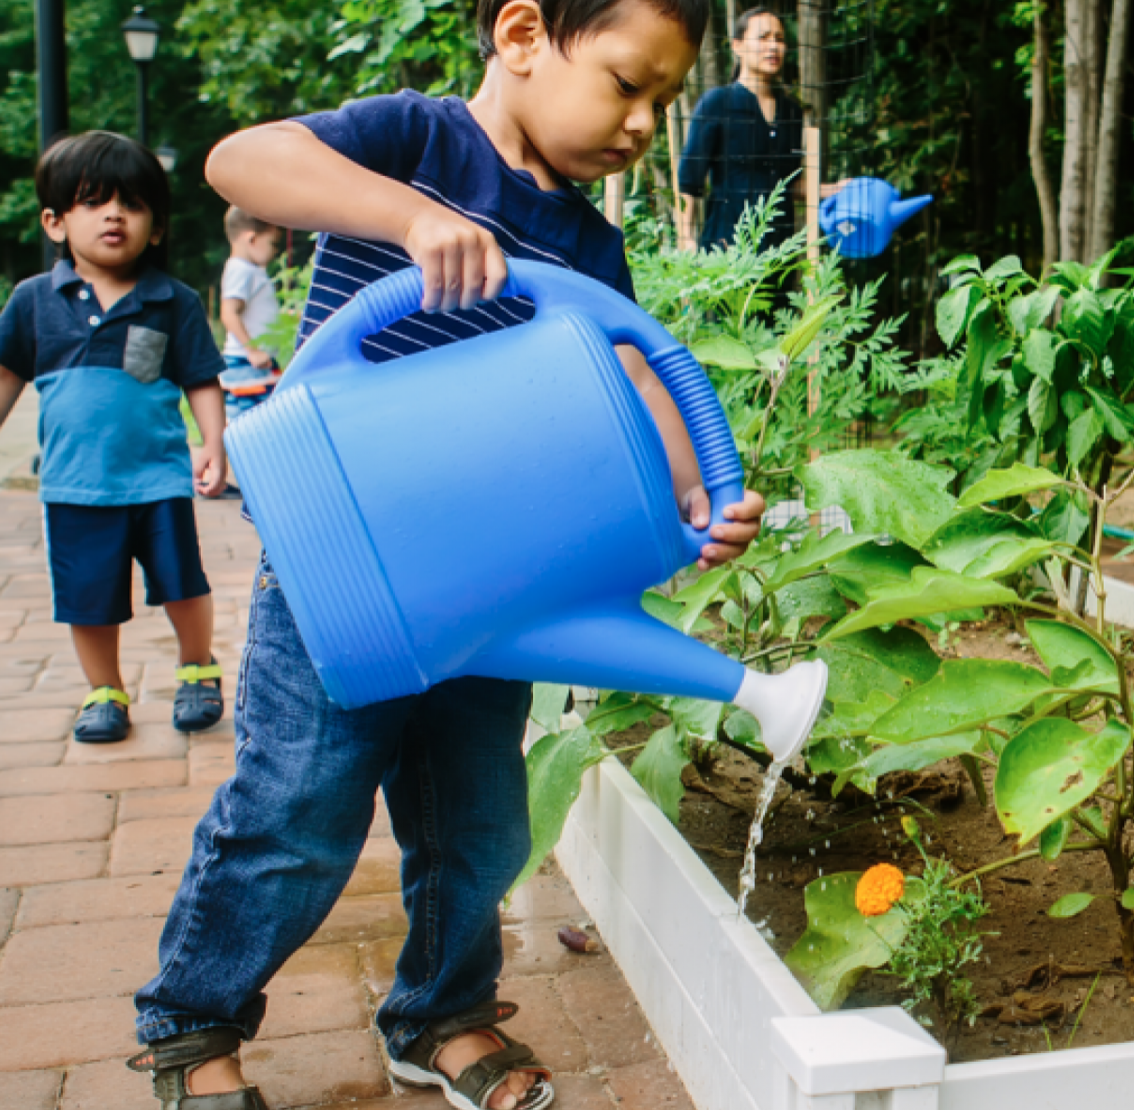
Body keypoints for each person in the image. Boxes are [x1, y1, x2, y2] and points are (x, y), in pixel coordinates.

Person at [127, 2, 768, 1108]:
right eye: (626, 83)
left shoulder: (586, 241)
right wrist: (409, 217)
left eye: (662, 101)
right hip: (347, 557)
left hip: (496, 577)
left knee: (478, 820)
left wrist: (700, 497)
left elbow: (641, 377)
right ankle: (193, 1022)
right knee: (300, 806)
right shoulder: (418, 141)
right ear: (521, 34)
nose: (644, 123)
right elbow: (243, 162)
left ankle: (442, 1015)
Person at [0, 131, 231, 746]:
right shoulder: (31, 303)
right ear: (55, 222)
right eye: (94, 201)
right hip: (74, 486)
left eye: (132, 204)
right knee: (88, 600)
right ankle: (104, 690)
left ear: (155, 228)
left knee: (183, 584)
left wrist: (213, 443)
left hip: (156, 478)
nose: (115, 215)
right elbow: (7, 375)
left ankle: (197, 668)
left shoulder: (172, 302)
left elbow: (202, 379)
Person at [677, 6, 805, 249]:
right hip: (726, 245)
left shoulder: (792, 112)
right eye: (763, 37)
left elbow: (791, 183)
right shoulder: (716, 103)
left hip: (780, 250)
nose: (773, 46)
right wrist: (686, 237)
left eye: (779, 39)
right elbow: (689, 180)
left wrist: (842, 188)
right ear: (737, 46)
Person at [216, 206, 285, 422]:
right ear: (252, 239)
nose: (275, 251)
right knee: (252, 424)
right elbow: (229, 313)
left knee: (260, 421)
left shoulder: (251, 270)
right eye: (272, 244)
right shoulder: (241, 269)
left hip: (257, 363)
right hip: (248, 363)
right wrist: (252, 351)